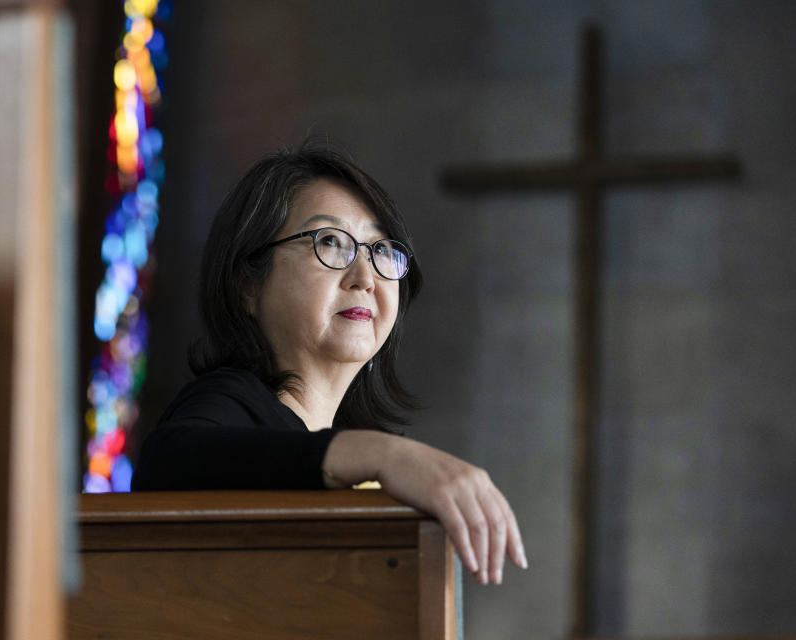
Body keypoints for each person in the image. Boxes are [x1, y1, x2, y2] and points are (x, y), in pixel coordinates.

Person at [132, 142, 527, 585]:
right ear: (247, 283)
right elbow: (168, 462)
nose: (365, 278)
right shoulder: (232, 398)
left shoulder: (356, 455)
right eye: (331, 242)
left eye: (380, 250)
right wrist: (380, 453)